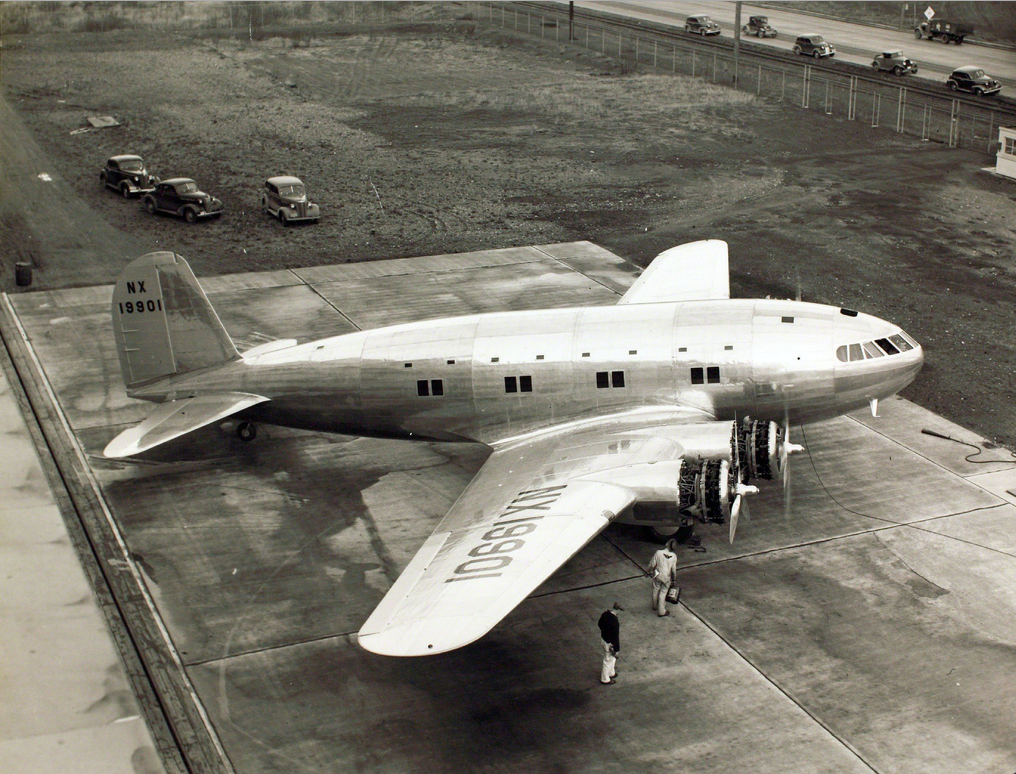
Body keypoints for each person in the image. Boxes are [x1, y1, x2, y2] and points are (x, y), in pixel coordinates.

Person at [647, 539, 678, 616]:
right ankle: (661, 611)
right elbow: (673, 570)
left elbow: (652, 564)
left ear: (667, 544)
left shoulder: (658, 553)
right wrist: (673, 579)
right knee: (663, 593)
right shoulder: (674, 556)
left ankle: (655, 606)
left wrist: (648, 571)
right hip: (667, 577)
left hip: (657, 575)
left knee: (655, 589)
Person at [597, 602, 623, 685]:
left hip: (603, 639)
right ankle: (605, 678)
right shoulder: (614, 622)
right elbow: (615, 637)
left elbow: (599, 624)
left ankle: (611, 673)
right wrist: (617, 649)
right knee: (608, 660)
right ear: (618, 610)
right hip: (610, 643)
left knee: (612, 658)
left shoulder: (605, 614)